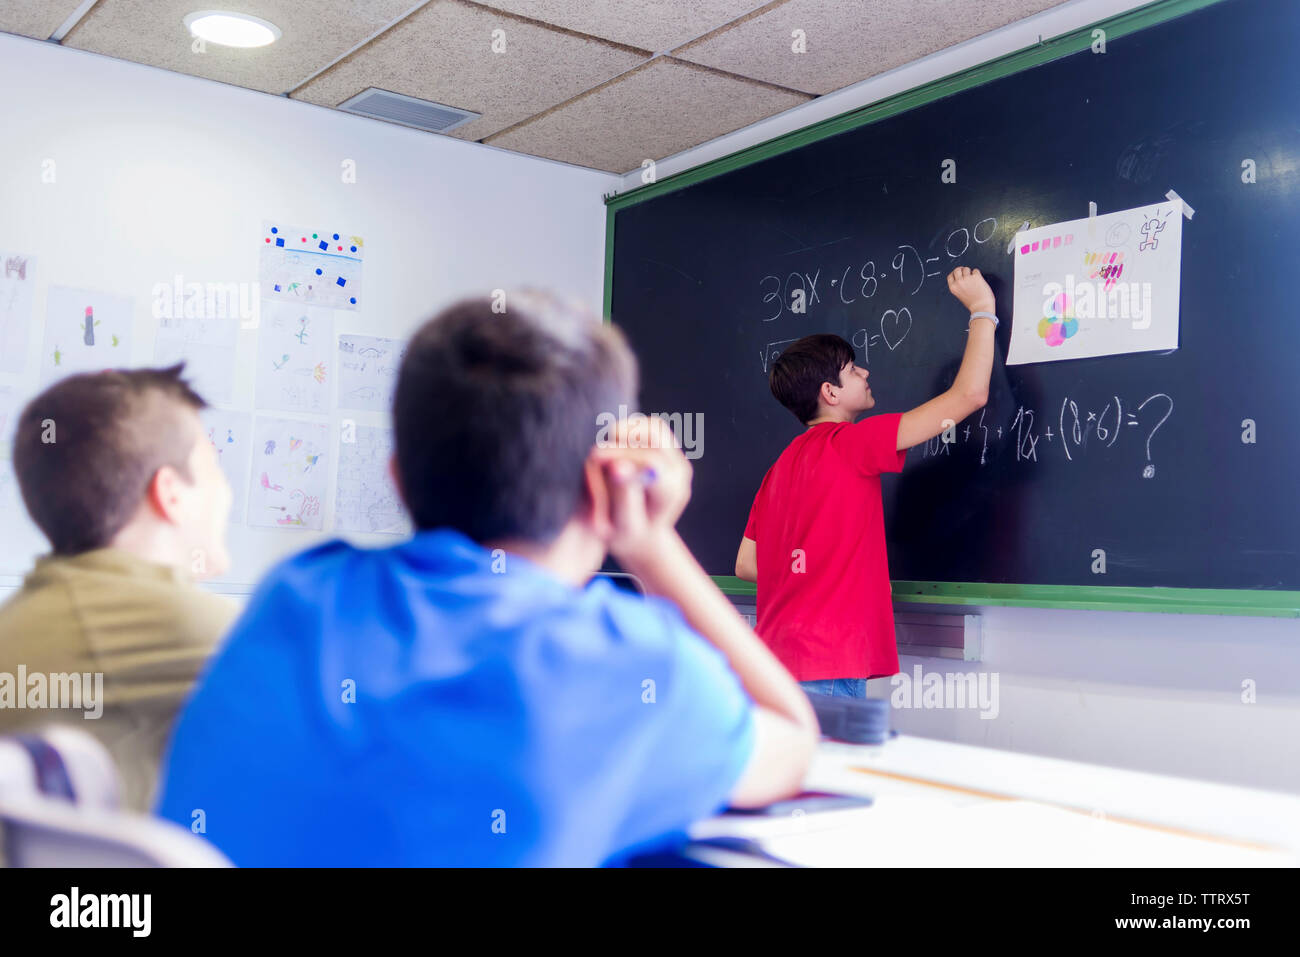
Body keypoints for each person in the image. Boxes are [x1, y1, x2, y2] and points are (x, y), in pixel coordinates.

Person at [157, 292, 818, 866]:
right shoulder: (623, 664)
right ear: (605, 479)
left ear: (396, 478)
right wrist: (649, 543)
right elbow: (791, 740)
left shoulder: (297, 592)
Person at [735, 267, 998, 698]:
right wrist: (982, 310)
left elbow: (747, 564)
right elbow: (969, 396)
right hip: (827, 663)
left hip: (774, 662)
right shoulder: (850, 443)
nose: (866, 373)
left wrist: (817, 573)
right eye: (853, 370)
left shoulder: (777, 470)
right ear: (830, 393)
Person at [0, 366, 236, 810]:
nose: (226, 490)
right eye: (213, 467)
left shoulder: (45, 603)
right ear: (171, 493)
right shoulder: (168, 620)